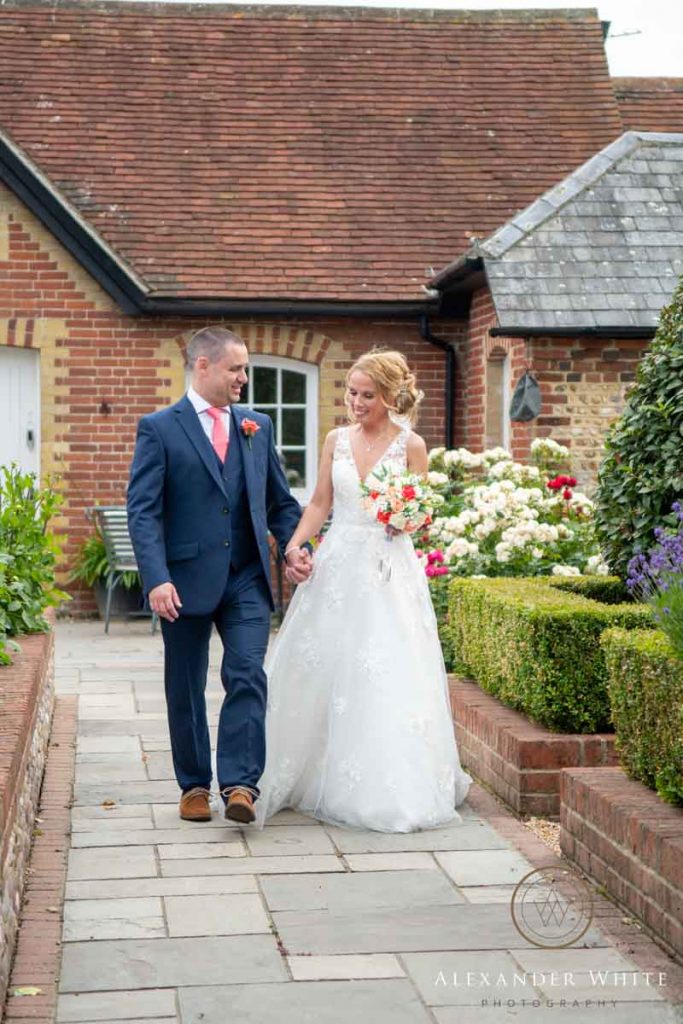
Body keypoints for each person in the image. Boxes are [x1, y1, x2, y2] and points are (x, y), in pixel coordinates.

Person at [256, 349, 471, 832]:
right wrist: (294, 545)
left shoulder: (411, 445)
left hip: (388, 568)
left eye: (367, 395)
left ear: (391, 397)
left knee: (384, 667)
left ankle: (386, 784)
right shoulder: (335, 439)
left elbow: (421, 512)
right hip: (338, 562)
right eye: (351, 392)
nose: (356, 402)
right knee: (320, 663)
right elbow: (319, 502)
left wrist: (405, 518)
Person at [127, 327, 311, 825]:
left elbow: (279, 501)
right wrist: (156, 577)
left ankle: (240, 785)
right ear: (202, 366)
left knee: (248, 672)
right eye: (236, 369)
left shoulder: (257, 426)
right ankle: (192, 785)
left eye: (245, 369)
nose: (244, 379)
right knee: (184, 684)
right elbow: (143, 511)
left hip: (246, 576)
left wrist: (297, 547)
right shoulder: (160, 428)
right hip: (182, 582)